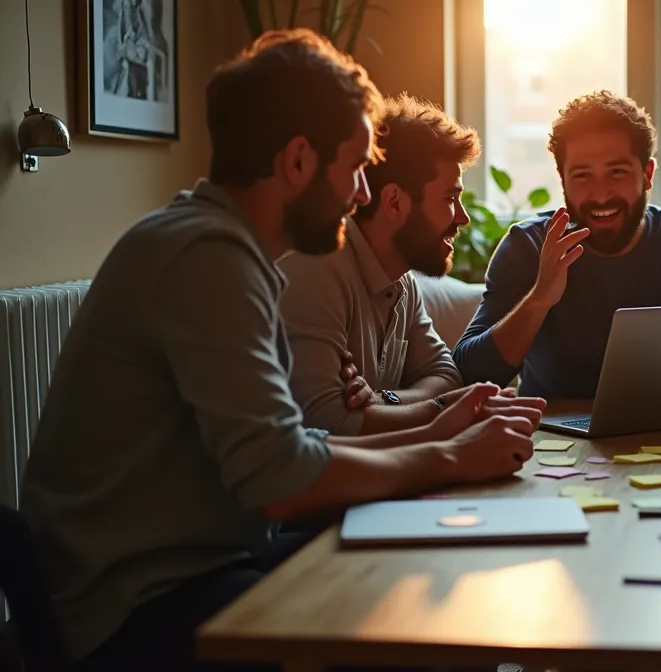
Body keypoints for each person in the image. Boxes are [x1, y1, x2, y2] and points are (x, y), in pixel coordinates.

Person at [19, 30, 540, 672]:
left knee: (426, 564)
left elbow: (292, 451)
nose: (361, 194)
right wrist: (448, 455)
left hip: (205, 562)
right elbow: (283, 482)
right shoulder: (206, 256)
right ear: (297, 161)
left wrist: (435, 434)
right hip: (132, 607)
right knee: (417, 614)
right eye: (354, 167)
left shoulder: (228, 250)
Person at [452, 90, 661, 402]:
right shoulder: (527, 248)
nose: (601, 195)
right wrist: (538, 300)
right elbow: (469, 374)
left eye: (616, 173)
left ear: (647, 175)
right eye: (582, 176)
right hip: (554, 442)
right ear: (562, 179)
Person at [278, 93, 542, 436]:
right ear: (394, 202)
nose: (462, 217)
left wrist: (385, 401)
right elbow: (331, 423)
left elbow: (446, 376)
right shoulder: (315, 273)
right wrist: (446, 409)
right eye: (449, 198)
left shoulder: (401, 281)